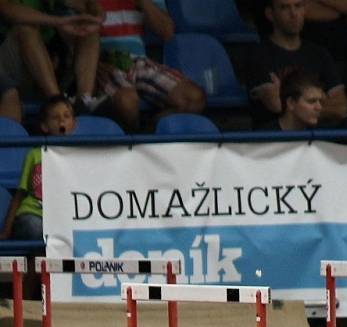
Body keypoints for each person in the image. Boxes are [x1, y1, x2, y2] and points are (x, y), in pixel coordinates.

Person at [94, 0, 206, 132]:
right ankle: (134, 142)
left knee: (193, 99)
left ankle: (147, 135)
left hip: (139, 62)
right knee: (127, 102)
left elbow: (167, 32)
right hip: (103, 60)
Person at [246, 0, 347, 129]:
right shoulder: (258, 54)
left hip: (316, 142)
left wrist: (295, 107)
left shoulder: (319, 53)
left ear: (304, 9)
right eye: (284, 8)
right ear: (270, 14)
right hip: (274, 141)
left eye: (298, 6)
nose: (293, 13)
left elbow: (340, 108)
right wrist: (322, 104)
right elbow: (275, 104)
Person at [0, 0, 103, 112]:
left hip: (50, 60)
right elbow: (6, 9)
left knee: (86, 29)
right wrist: (58, 21)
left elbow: (88, 4)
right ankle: (57, 102)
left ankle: (84, 100)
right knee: (25, 29)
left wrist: (96, 17)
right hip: (9, 71)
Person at [1, 94, 74, 243]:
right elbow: (19, 196)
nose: (62, 121)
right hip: (32, 215)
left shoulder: (80, 156)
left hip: (62, 219)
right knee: (35, 228)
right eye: (55, 117)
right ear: (44, 126)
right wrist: (6, 231)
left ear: (73, 123)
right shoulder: (34, 154)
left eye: (67, 116)